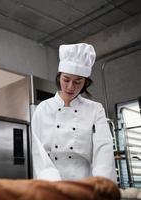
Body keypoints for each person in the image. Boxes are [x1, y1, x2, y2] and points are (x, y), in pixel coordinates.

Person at [32, 43, 117, 183]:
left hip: (86, 184)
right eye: (66, 80)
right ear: (59, 77)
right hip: (51, 183)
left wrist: (102, 185)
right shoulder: (43, 109)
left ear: (85, 82)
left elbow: (103, 151)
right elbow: (39, 153)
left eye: (78, 82)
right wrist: (55, 186)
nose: (71, 87)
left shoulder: (95, 109)